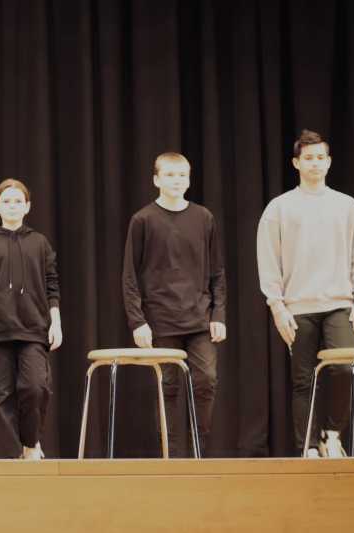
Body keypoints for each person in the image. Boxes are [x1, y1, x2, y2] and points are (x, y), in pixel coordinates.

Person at [257, 129, 354, 458]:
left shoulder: (347, 206)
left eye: (320, 157)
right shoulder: (279, 208)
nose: (315, 163)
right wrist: (277, 306)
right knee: (303, 380)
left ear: (329, 162)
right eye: (308, 158)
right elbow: (268, 259)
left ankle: (332, 434)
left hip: (339, 303)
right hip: (297, 306)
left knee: (344, 367)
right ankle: (307, 446)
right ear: (296, 163)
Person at [122, 152, 227, 457]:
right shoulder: (143, 220)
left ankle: (198, 453)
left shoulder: (203, 218)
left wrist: (218, 314)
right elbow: (129, 275)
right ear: (156, 179)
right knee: (167, 386)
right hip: (160, 319)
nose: (176, 180)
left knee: (206, 380)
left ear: (189, 179)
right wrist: (137, 321)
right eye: (169, 175)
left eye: (182, 175)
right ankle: (171, 456)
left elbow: (217, 272)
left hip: (199, 317)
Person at [0, 178, 62, 460]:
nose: (12, 206)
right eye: (6, 201)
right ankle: (17, 452)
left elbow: (52, 285)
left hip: (33, 328)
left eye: (18, 201)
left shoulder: (39, 242)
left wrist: (56, 322)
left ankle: (31, 443)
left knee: (35, 386)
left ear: (28, 206)